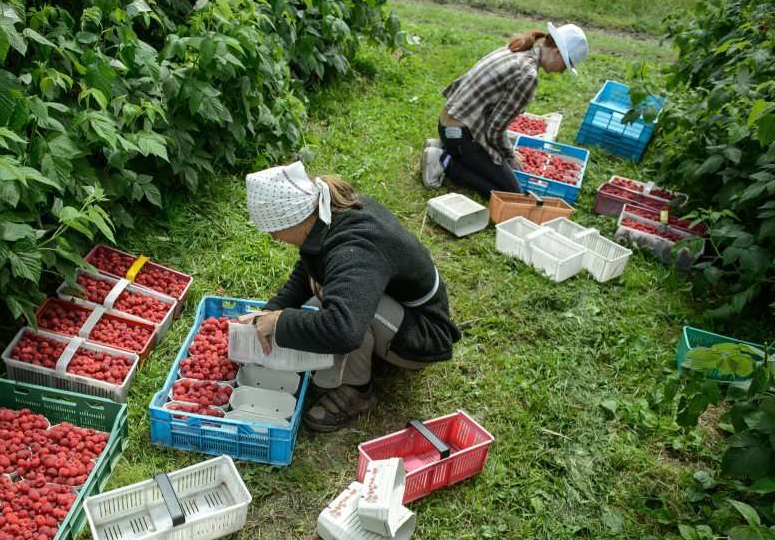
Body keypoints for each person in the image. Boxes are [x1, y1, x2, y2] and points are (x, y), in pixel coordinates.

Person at [242, 161, 461, 432]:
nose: (274, 237)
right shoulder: (324, 214)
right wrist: (273, 309)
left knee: (341, 317)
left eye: (274, 230)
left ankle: (357, 390)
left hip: (424, 333)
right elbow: (310, 270)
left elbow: (343, 330)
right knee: (321, 299)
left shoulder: (355, 247)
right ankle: (370, 355)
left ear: (294, 219)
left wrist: (279, 321)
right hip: (395, 307)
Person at [424, 22, 589, 197]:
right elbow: (495, 130)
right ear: (557, 54)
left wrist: (504, 152)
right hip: (461, 134)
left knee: (492, 165)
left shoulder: (520, 48)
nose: (561, 72)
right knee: (510, 192)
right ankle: (445, 161)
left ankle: (446, 147)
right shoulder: (528, 75)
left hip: (449, 124)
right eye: (565, 66)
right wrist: (510, 156)